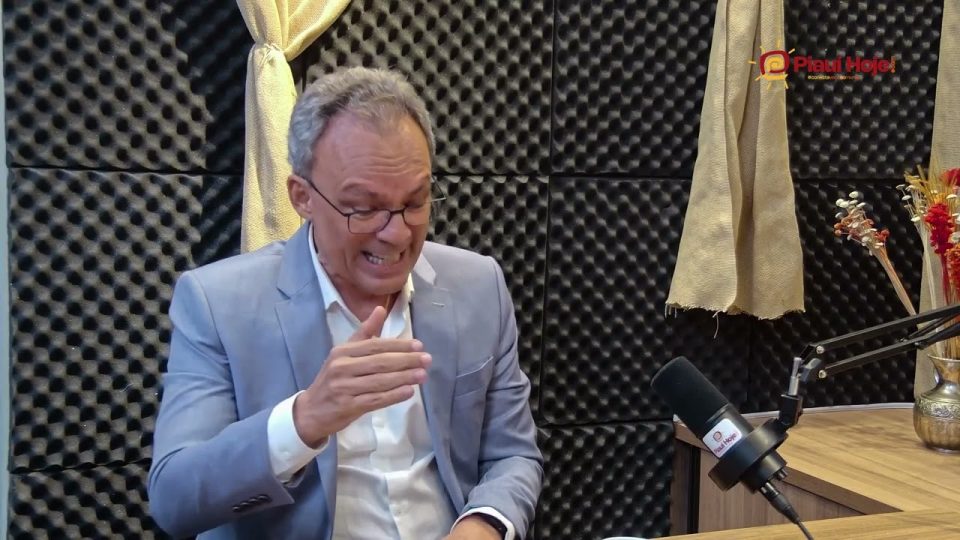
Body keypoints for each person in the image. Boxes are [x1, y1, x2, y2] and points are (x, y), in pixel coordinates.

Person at [147, 66, 543, 540]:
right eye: (364, 208)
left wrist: (483, 525)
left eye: (415, 203)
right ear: (302, 197)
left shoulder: (478, 285)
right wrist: (304, 420)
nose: (397, 233)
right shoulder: (217, 304)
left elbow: (513, 455)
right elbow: (174, 499)